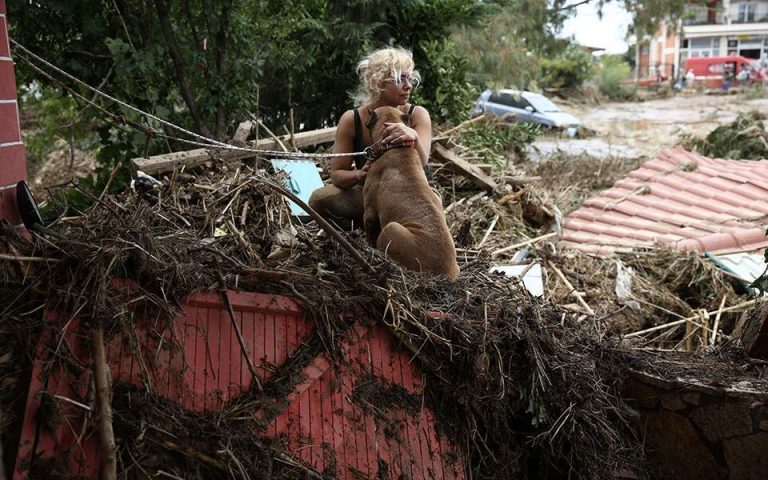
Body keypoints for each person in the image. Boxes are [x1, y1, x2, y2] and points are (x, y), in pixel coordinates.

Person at [309, 46, 432, 229]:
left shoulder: (417, 115)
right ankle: (358, 228)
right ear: (378, 83)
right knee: (319, 199)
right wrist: (359, 174)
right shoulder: (353, 119)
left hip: (410, 196)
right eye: (400, 79)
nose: (408, 85)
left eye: (410, 78)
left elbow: (422, 162)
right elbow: (337, 175)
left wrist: (413, 137)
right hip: (371, 195)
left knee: (432, 201)